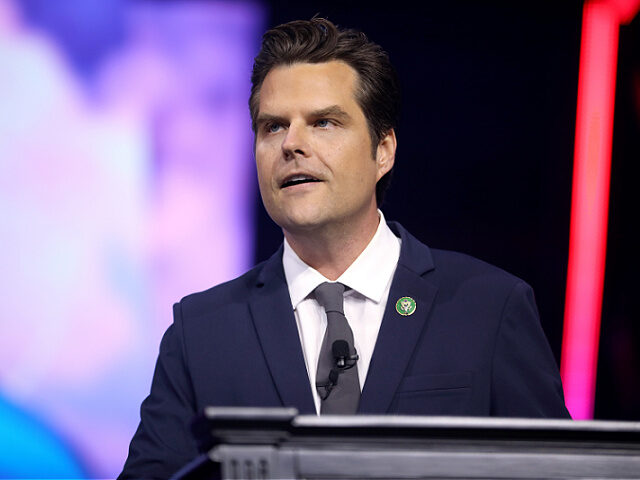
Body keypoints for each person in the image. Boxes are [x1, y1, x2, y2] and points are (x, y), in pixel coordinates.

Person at [119, 17, 570, 479]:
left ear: (384, 150)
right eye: (273, 127)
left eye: (324, 123)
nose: (292, 144)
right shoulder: (201, 332)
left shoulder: (488, 309)